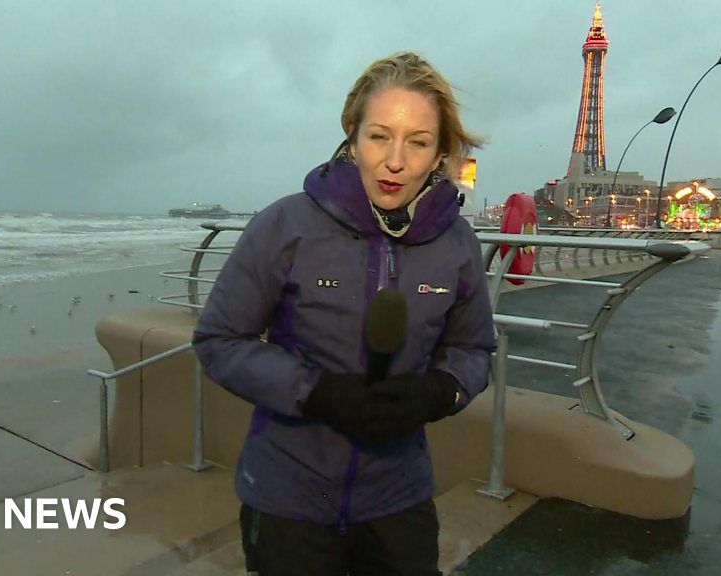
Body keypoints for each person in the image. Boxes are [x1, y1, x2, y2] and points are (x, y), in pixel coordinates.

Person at [193, 51, 495, 576]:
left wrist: (441, 390)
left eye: (418, 142)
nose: (395, 161)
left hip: (399, 500)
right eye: (379, 136)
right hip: (289, 496)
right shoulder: (285, 225)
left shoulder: (458, 243)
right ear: (352, 136)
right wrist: (312, 391)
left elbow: (473, 350)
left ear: (441, 152)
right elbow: (219, 340)